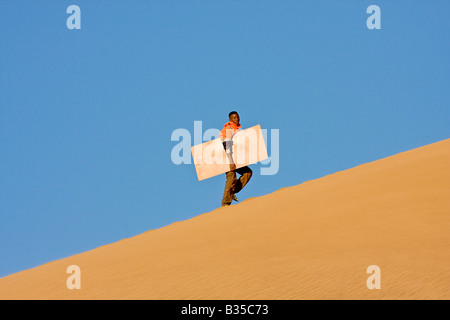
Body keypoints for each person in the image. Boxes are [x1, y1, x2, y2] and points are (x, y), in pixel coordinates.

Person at [219, 111, 253, 206]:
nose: (237, 119)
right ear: (230, 119)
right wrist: (230, 161)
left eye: (238, 117)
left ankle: (232, 192)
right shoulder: (229, 128)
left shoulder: (237, 130)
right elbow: (227, 144)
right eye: (234, 118)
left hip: (235, 158)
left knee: (248, 173)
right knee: (231, 177)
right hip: (226, 158)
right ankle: (225, 203)